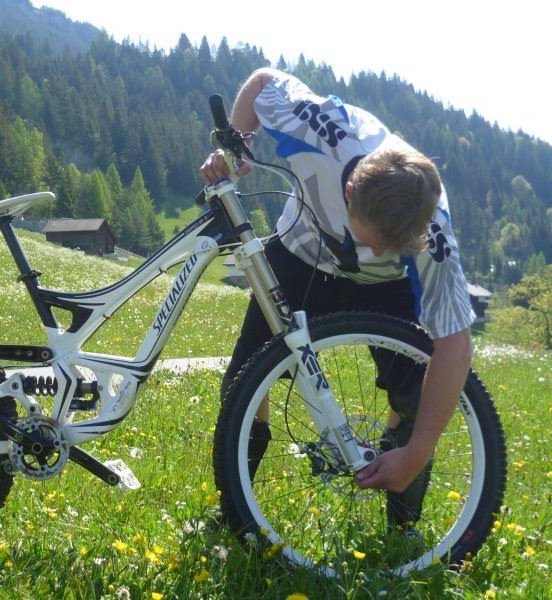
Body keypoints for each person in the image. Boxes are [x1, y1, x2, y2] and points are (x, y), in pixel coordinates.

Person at [200, 68, 475, 530]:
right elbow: (263, 81)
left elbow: (456, 345)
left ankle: (402, 530)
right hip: (301, 252)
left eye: (393, 245)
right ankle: (232, 517)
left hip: (387, 289)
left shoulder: (433, 231)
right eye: (373, 240)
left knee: (413, 396)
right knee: (243, 384)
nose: (377, 252)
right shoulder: (322, 129)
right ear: (349, 192)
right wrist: (236, 148)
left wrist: (418, 450)